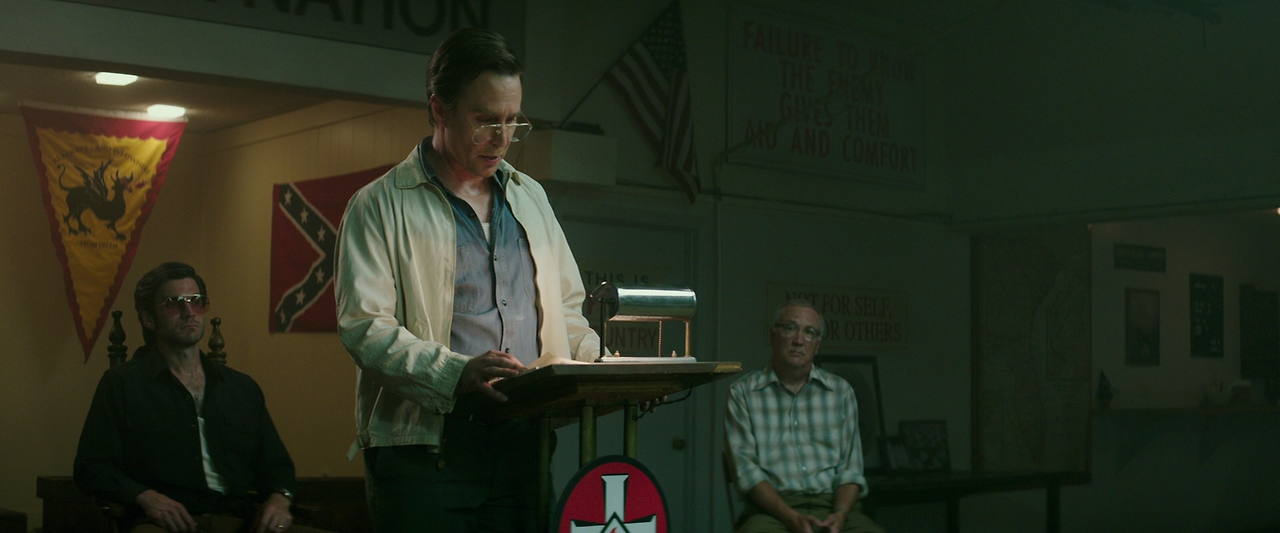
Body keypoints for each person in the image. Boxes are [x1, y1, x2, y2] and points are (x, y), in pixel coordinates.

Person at [334, 28, 601, 532]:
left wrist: (604, 367)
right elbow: (365, 327)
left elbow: (566, 311)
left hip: (524, 443)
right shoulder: (380, 205)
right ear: (440, 109)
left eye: (513, 120)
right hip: (426, 453)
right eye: (485, 121)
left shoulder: (530, 198)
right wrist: (454, 373)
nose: (502, 138)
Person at [73, 262, 329, 533]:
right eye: (174, 304)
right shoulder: (123, 384)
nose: (189, 312)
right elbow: (91, 467)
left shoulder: (240, 388)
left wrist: (280, 498)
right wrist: (145, 497)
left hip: (240, 520)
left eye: (196, 302)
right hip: (164, 523)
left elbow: (277, 466)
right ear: (149, 319)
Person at [724, 300, 885, 533]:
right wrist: (790, 517)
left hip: (834, 507)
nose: (799, 340)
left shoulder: (841, 392)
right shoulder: (742, 393)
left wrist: (840, 514)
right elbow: (747, 474)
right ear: (772, 336)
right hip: (771, 512)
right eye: (790, 328)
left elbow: (850, 471)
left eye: (809, 332)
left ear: (817, 345)